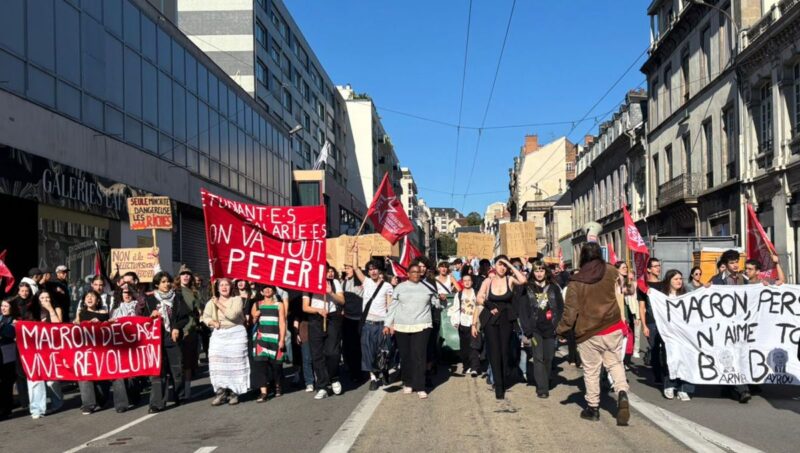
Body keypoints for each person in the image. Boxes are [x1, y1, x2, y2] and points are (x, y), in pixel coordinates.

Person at [557, 242, 630, 426]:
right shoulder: (611, 271)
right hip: (612, 325)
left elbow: (570, 312)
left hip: (588, 331)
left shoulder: (575, 281)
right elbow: (624, 288)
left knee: (591, 371)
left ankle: (593, 408)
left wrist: (561, 330)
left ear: (582, 256)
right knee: (615, 363)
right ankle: (622, 392)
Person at [477, 255, 527, 400]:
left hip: (506, 319)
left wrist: (510, 265)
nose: (502, 267)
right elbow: (479, 297)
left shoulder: (510, 279)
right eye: (500, 264)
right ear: (494, 266)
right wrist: (488, 304)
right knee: (494, 352)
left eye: (504, 265)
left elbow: (523, 280)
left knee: (504, 351)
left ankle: (503, 379)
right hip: (491, 319)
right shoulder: (488, 280)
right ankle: (499, 386)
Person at [383, 264, 437, 399]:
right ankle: (408, 382)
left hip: (422, 325)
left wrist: (439, 301)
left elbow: (436, 303)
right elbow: (393, 306)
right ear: (407, 274)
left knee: (419, 355)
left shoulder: (428, 287)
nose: (416, 274)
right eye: (413, 272)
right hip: (402, 325)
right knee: (406, 355)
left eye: (418, 272)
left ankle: (420, 386)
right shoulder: (400, 288)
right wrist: (387, 324)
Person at [710, 249, 753, 403]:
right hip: (724, 325)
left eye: (736, 262)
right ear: (726, 265)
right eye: (732, 262)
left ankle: (736, 388)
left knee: (740, 354)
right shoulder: (716, 281)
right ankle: (740, 389)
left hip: (741, 324)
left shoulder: (745, 279)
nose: (735, 265)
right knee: (728, 354)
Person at [517, 260, 564, 398]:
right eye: (536, 271)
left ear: (546, 272)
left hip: (550, 328)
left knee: (549, 357)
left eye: (541, 270)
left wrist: (558, 326)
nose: (539, 273)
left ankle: (546, 378)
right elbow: (523, 310)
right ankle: (542, 388)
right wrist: (527, 329)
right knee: (538, 358)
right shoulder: (528, 288)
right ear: (533, 272)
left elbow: (560, 308)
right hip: (534, 329)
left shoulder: (554, 288)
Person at [145, 271, 190, 413]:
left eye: (168, 281)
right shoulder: (150, 299)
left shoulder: (177, 297)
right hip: (156, 339)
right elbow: (142, 319)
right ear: (157, 284)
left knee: (176, 368)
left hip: (172, 337)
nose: (166, 284)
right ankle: (157, 403)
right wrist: (150, 316)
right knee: (158, 372)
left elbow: (185, 317)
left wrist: (177, 327)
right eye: (163, 282)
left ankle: (180, 396)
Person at [202, 278, 250, 406]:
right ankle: (221, 392)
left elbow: (233, 315)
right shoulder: (211, 302)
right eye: (221, 285)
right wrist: (212, 322)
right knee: (217, 363)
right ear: (217, 288)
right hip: (219, 334)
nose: (224, 287)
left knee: (235, 363)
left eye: (226, 285)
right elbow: (205, 316)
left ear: (231, 287)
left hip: (236, 333)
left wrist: (218, 304)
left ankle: (234, 392)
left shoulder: (237, 300)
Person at [352, 252, 394, 391]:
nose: (373, 271)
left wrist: (390, 324)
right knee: (368, 351)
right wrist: (355, 252)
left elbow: (389, 306)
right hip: (368, 324)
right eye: (370, 269)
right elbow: (355, 268)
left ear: (380, 270)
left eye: (375, 268)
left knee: (382, 351)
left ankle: (384, 370)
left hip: (382, 324)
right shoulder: (366, 282)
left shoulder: (387, 286)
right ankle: (373, 378)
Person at [302, 265, 345, 400]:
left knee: (333, 352)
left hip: (332, 317)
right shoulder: (308, 284)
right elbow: (305, 307)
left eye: (331, 271)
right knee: (317, 354)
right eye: (327, 271)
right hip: (316, 319)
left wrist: (330, 292)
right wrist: (318, 310)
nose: (330, 273)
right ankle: (322, 386)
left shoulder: (335, 283)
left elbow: (342, 300)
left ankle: (334, 377)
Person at [655, 270, 694, 401]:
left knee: (686, 360)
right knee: (671, 359)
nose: (679, 281)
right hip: (669, 334)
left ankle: (684, 389)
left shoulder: (687, 295)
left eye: (680, 279)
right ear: (669, 281)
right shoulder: (662, 297)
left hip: (685, 334)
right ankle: (669, 385)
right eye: (676, 279)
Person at [108, 286, 146, 412]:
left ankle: (134, 396)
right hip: (117, 345)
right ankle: (121, 404)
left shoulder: (137, 306)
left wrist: (134, 291)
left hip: (134, 344)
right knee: (118, 373)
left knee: (131, 375)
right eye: (125, 292)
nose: (127, 295)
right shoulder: (115, 309)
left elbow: (142, 302)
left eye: (130, 292)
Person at [27, 290, 64, 419]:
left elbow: (58, 326)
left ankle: (57, 402)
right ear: (38, 299)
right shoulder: (33, 312)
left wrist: (50, 309)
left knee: (51, 380)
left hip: (52, 348)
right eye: (42, 298)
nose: (45, 300)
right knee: (37, 379)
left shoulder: (56, 309)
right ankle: (38, 408)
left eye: (48, 297)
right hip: (36, 349)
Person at [77, 290, 110, 414]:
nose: (89, 298)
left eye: (92, 296)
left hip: (102, 349)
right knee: (85, 375)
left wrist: (101, 323)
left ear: (98, 300)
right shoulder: (81, 313)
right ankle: (88, 404)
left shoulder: (105, 313)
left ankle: (101, 399)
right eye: (87, 296)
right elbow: (77, 326)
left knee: (101, 376)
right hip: (86, 349)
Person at [251, 285, 286, 402]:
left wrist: (282, 339)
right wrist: (255, 317)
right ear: (261, 291)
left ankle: (277, 385)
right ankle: (263, 392)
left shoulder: (279, 305)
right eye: (264, 288)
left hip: (275, 338)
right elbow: (252, 322)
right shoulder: (256, 305)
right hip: (261, 339)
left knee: (276, 365)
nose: (267, 290)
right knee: (260, 365)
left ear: (274, 291)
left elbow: (282, 322)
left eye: (270, 288)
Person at [638, 258, 665, 384]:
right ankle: (658, 376)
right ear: (648, 269)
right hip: (651, 321)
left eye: (659, 266)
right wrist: (644, 325)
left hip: (664, 322)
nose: (658, 268)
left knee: (665, 348)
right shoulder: (644, 286)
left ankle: (666, 374)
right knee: (654, 349)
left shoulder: (664, 284)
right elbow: (642, 307)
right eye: (655, 266)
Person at [175, 265, 200, 401]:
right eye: (183, 274)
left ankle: (187, 389)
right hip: (178, 330)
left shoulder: (195, 292)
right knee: (178, 362)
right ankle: (177, 389)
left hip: (191, 331)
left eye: (188, 274)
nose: (185, 276)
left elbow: (198, 311)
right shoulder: (175, 291)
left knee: (189, 362)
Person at [449, 273, 479, 377]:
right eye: (465, 280)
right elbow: (456, 308)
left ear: (472, 281)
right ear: (462, 282)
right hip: (463, 323)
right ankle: (466, 366)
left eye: (469, 280)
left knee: (474, 345)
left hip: (474, 323)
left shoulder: (476, 293)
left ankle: (475, 367)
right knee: (464, 347)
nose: (467, 282)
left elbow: (479, 307)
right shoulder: (459, 294)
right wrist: (455, 321)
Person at [341, 263, 364, 382]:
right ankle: (353, 371)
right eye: (345, 268)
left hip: (360, 319)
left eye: (348, 268)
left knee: (360, 347)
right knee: (350, 347)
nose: (346, 270)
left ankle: (361, 371)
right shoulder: (343, 283)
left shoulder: (361, 283)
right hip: (348, 319)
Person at [615, 262, 640, 360]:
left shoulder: (627, 283)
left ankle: (624, 360)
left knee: (627, 337)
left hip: (627, 312)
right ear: (617, 269)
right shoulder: (614, 282)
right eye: (623, 267)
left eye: (626, 267)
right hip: (617, 314)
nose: (625, 269)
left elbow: (633, 294)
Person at [0, 299, 19, 419]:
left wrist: (3, 328)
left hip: (8, 354)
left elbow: (10, 333)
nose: (3, 308)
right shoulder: (0, 318)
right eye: (2, 306)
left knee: (7, 383)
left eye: (6, 306)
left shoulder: (14, 320)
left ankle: (7, 409)